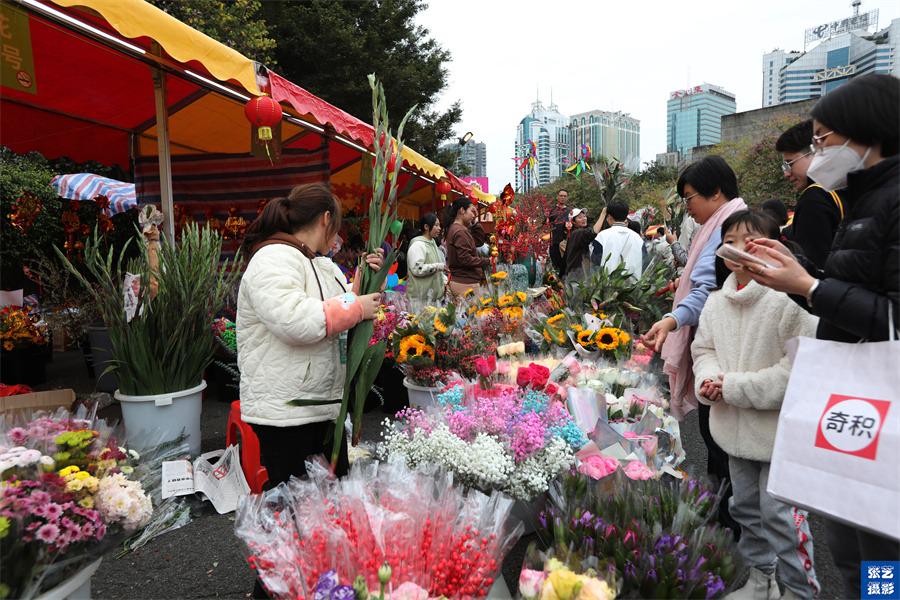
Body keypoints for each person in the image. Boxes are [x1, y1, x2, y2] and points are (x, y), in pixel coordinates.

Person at [745, 74, 899, 599]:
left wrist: (810, 284)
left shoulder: (894, 202)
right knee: (849, 553)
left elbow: (892, 318)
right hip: (854, 399)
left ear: (866, 133)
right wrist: (796, 275)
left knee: (882, 561)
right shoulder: (860, 200)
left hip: (883, 407)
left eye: (823, 138)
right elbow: (846, 294)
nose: (817, 152)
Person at [692, 210, 820, 600]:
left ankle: (800, 591)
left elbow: (800, 367)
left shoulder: (788, 300)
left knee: (782, 517)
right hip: (735, 430)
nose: (738, 248)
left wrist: (732, 387)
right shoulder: (717, 301)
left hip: (781, 433)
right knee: (745, 508)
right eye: (730, 239)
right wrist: (708, 381)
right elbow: (704, 349)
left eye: (750, 239)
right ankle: (761, 580)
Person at [236, 183, 383, 489]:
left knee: (330, 505)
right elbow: (296, 320)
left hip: (322, 407)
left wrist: (365, 282)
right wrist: (356, 306)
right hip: (287, 415)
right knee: (299, 511)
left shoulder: (320, 264)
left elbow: (340, 309)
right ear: (326, 219)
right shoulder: (272, 259)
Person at [775, 119, 843, 269]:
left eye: (790, 163)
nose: (786, 173)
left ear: (815, 152)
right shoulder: (843, 187)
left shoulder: (814, 198)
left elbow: (812, 266)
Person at [445, 198, 490, 296]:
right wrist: (487, 261)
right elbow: (465, 259)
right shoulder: (460, 231)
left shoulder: (457, 229)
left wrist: (474, 223)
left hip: (462, 282)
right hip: (465, 284)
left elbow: (478, 242)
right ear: (462, 210)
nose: (474, 215)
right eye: (471, 211)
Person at [590, 202, 643, 279]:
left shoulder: (602, 236)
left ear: (609, 217)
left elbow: (595, 262)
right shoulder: (638, 238)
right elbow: (644, 261)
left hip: (607, 286)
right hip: (632, 287)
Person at [406, 213, 447, 305]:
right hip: (421, 301)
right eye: (436, 225)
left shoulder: (432, 243)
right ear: (426, 227)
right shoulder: (418, 245)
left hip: (433, 299)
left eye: (439, 225)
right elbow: (417, 269)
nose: (439, 228)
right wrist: (439, 266)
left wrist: (443, 281)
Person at [563, 207, 603, 280]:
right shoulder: (577, 233)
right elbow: (593, 232)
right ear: (573, 222)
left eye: (584, 216)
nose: (584, 219)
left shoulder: (576, 233)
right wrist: (603, 214)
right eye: (579, 217)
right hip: (577, 276)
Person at [548, 189, 570, 273]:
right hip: (553, 242)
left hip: (565, 242)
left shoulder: (569, 211)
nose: (563, 198)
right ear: (557, 197)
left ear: (567, 198)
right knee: (555, 266)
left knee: (565, 265)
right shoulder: (551, 211)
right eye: (561, 196)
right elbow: (545, 224)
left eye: (565, 196)